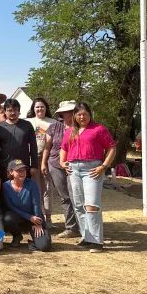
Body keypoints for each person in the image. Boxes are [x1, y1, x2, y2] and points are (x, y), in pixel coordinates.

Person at [59, 102, 116, 253]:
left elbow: (111, 148)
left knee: (91, 205)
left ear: (90, 114)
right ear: (74, 116)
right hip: (73, 169)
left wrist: (104, 166)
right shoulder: (70, 131)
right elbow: (64, 148)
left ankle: (97, 241)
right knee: (78, 205)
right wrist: (62, 162)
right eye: (79, 114)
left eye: (85, 114)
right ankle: (87, 237)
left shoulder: (99, 129)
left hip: (92, 169)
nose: (82, 117)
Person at [42, 100, 81, 238]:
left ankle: (81, 226)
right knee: (65, 196)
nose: (69, 114)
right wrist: (43, 163)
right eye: (67, 112)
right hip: (55, 164)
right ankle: (71, 228)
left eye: (72, 111)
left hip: (75, 165)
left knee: (77, 196)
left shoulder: (81, 127)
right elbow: (47, 147)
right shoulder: (53, 127)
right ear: (61, 113)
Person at [1, 159, 51, 252]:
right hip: (20, 217)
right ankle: (17, 236)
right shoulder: (5, 186)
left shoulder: (32, 184)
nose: (22, 173)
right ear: (11, 172)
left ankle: (32, 243)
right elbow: (10, 206)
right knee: (7, 219)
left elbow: (36, 204)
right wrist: (29, 217)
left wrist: (38, 223)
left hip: (35, 219)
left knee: (45, 246)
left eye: (23, 170)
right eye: (18, 171)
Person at [27, 98, 57, 227]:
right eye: (37, 107)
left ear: (46, 108)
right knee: (34, 188)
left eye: (42, 107)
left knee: (47, 188)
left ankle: (48, 217)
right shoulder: (27, 122)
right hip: (31, 159)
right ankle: (37, 215)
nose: (40, 109)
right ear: (33, 108)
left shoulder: (54, 123)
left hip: (48, 159)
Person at [0, 99, 39, 179]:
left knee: (24, 190)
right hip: (5, 167)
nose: (12, 113)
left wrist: (34, 165)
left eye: (15, 110)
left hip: (23, 166)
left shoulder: (27, 125)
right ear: (4, 111)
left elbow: (33, 147)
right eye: (9, 110)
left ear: (19, 111)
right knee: (6, 190)